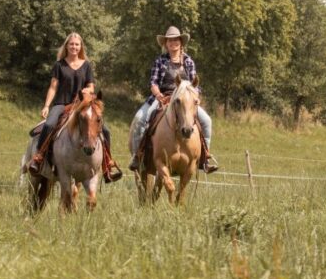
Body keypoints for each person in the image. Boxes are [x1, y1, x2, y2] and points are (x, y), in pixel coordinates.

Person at [28, 32, 122, 182]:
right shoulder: (59, 65)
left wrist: (88, 91)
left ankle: (107, 165)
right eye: (71, 44)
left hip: (81, 105)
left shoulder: (86, 65)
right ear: (67, 46)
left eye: (77, 44)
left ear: (81, 47)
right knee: (50, 124)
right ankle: (38, 158)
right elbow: (53, 87)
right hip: (61, 103)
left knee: (105, 130)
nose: (74, 47)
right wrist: (47, 106)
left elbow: (91, 86)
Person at [128, 26, 218, 173]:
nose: (173, 43)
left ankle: (205, 158)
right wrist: (159, 95)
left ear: (181, 42)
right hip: (163, 97)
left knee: (207, 121)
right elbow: (153, 83)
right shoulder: (160, 61)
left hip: (185, 101)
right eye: (170, 40)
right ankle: (137, 157)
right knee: (139, 119)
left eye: (176, 40)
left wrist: (196, 97)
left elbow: (195, 85)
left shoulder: (188, 61)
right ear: (166, 43)